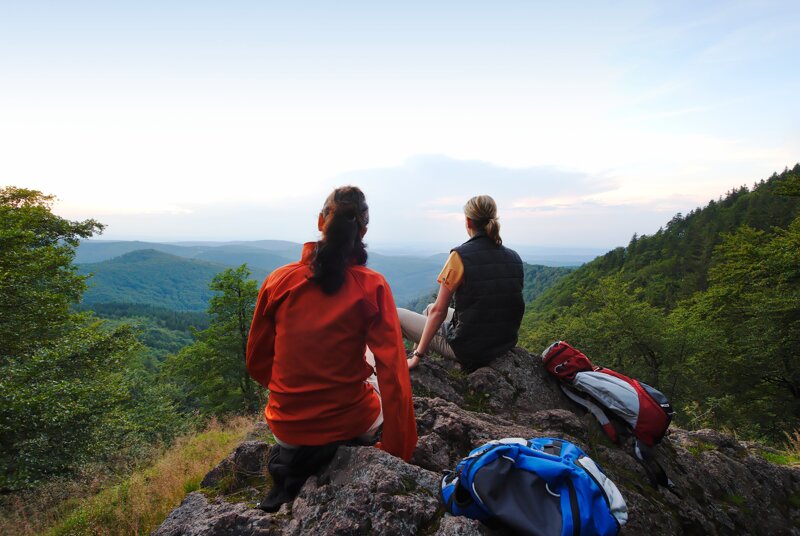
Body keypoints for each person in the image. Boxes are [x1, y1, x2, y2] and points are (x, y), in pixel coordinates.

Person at [246, 186, 417, 512]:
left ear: (320, 221)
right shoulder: (372, 285)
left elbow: (257, 362)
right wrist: (398, 450)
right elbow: (393, 374)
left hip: (287, 430)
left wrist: (300, 392)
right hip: (351, 423)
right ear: (363, 230)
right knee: (371, 362)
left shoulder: (279, 281)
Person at [398, 195, 524, 372]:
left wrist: (417, 357)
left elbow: (439, 311)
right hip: (502, 343)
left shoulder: (460, 256)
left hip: (469, 349)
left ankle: (416, 359)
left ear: (468, 221)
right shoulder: (514, 257)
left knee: (397, 315)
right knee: (428, 308)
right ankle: (421, 356)